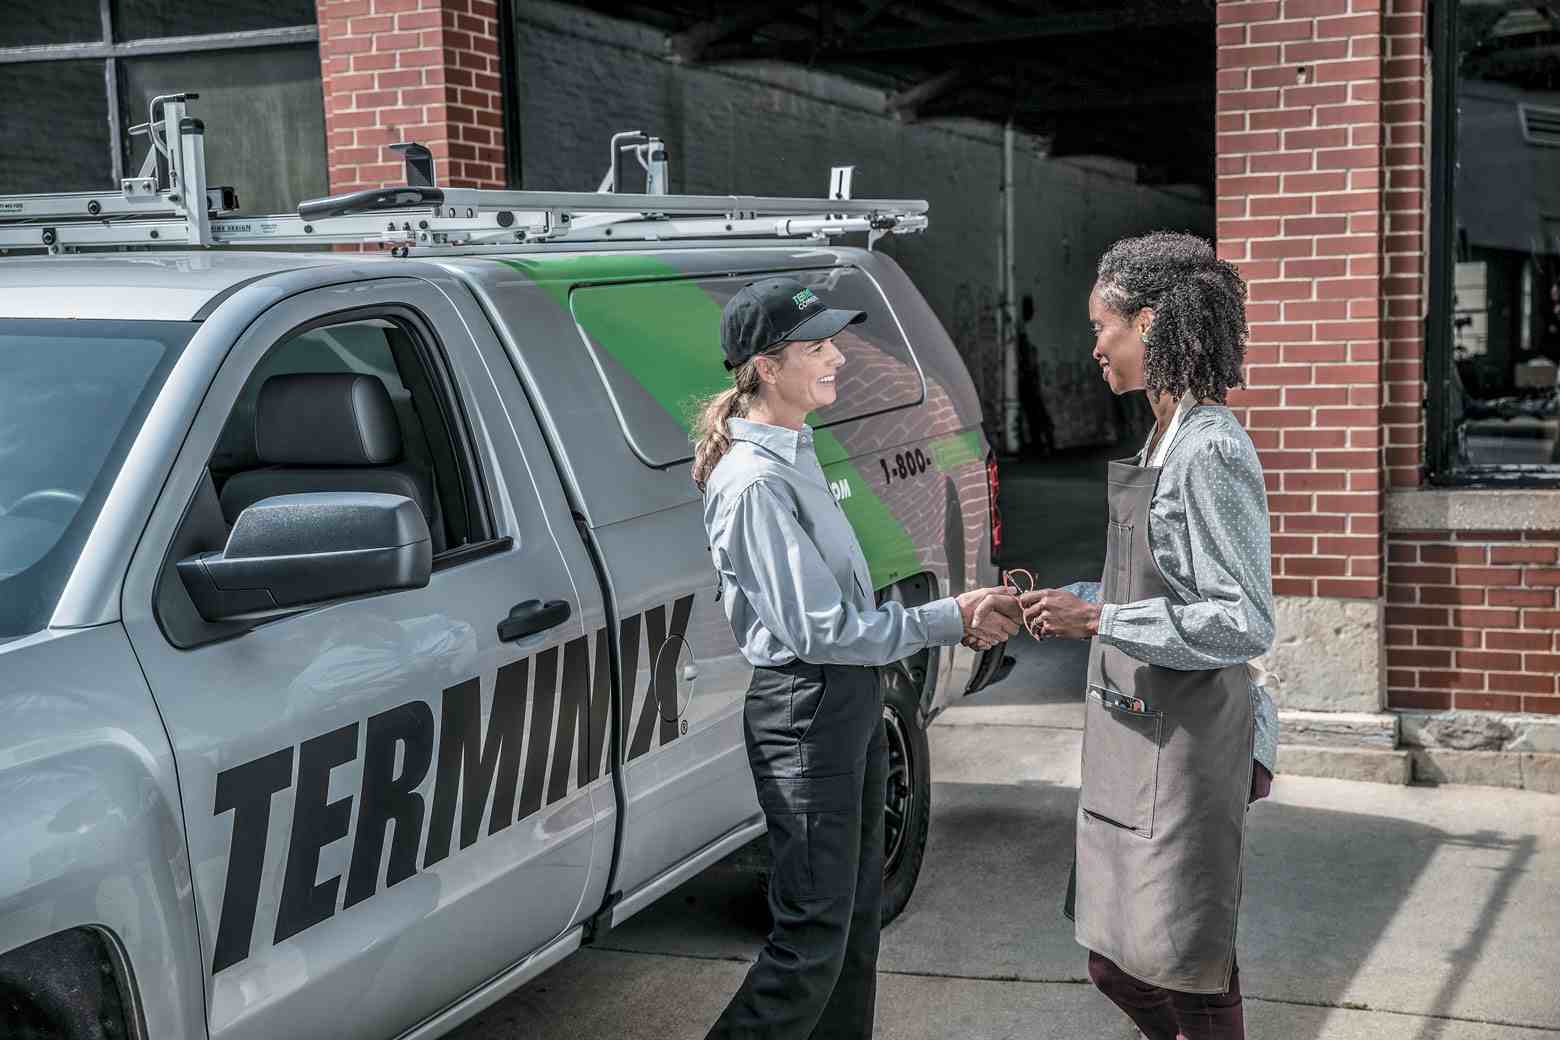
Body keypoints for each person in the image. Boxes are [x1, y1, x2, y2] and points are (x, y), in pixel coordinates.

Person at [692, 277, 1021, 1039]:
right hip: (806, 712)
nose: (838, 356)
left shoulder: (796, 450)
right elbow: (819, 628)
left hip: (843, 701)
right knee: (809, 946)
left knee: (853, 926)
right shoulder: (754, 482)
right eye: (817, 347)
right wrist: (947, 618)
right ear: (768, 368)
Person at [1020, 232, 1277, 1040]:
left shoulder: (1210, 449)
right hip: (1139, 733)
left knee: (1185, 959)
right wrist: (1074, 598)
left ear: (1152, 323)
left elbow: (1243, 620)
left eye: (1105, 326)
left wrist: (1099, 618)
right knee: (1115, 955)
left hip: (1190, 744)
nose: (1094, 347)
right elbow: (1156, 585)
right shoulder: (1160, 439)